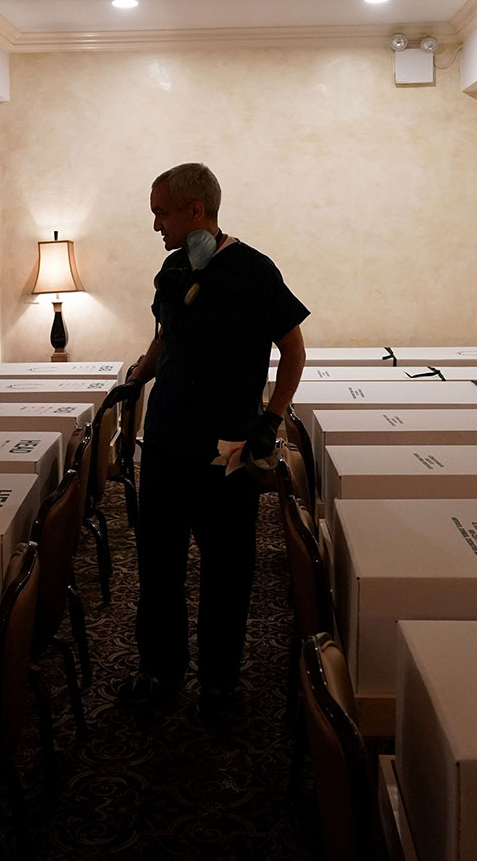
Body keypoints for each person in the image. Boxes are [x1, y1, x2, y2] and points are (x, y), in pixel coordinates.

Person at [115, 162, 308, 718]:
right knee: (158, 565)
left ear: (195, 210)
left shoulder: (254, 271)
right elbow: (164, 341)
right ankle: (161, 670)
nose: (156, 226)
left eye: (161, 213)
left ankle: (220, 681)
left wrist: (272, 418)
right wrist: (135, 380)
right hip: (167, 443)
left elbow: (293, 351)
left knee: (227, 568)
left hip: (229, 450)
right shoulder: (173, 271)